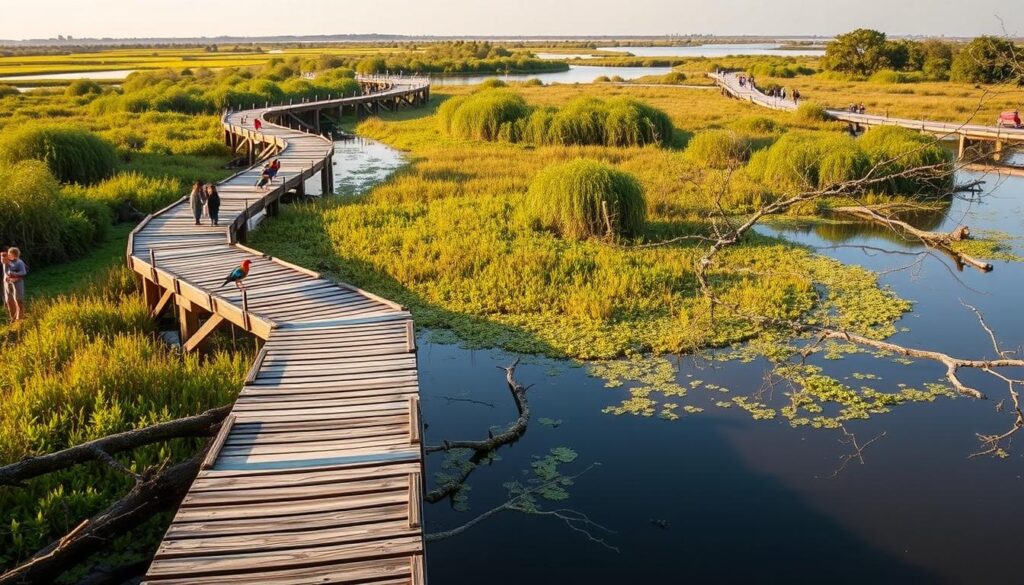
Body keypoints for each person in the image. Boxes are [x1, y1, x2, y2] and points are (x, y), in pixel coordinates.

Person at [4, 247, 27, 322]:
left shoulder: (19, 262)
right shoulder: (9, 261)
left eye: (10, 254)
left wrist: (13, 273)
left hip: (18, 284)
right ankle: (14, 318)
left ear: (15, 254)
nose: (9, 255)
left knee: (18, 301)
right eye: (8, 253)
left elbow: (23, 272)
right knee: (12, 301)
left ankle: (19, 319)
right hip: (10, 284)